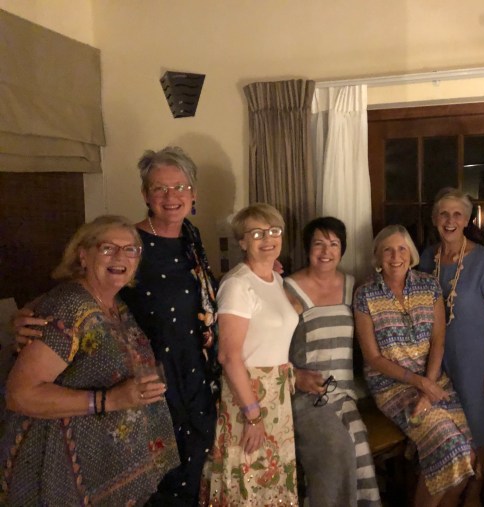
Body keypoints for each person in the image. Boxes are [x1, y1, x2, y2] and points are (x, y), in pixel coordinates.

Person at [12, 147, 220, 505]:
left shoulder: (191, 238)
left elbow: (200, 297)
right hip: (144, 383)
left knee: (188, 480)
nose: (171, 196)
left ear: (193, 193)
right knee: (154, 487)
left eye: (180, 187)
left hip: (193, 378)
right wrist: (25, 314)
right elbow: (80, 290)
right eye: (159, 188)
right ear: (145, 195)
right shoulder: (131, 244)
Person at [0, 215, 179, 505]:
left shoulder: (116, 303)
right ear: (83, 255)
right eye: (107, 248)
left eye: (130, 249)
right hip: (59, 473)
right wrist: (109, 400)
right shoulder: (68, 306)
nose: (120, 256)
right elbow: (20, 395)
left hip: (102, 468)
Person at [354, 224, 474, 507]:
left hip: (434, 379)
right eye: (388, 250)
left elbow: (438, 342)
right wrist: (420, 385)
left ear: (411, 254)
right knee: (449, 448)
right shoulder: (365, 294)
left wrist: (428, 387)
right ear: (377, 256)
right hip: (392, 386)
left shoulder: (429, 286)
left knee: (468, 455)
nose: (396, 257)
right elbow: (373, 358)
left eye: (402, 249)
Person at [200, 203, 299, 506]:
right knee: (247, 482)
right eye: (256, 233)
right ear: (242, 242)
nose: (267, 238)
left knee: (272, 482)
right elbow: (228, 357)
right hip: (249, 396)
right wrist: (253, 415)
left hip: (277, 396)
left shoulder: (276, 279)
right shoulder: (237, 284)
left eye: (273, 231)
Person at [419, 188, 484, 506]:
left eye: (457, 214)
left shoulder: (483, 261)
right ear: (435, 219)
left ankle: (473, 494)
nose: (450, 220)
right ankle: (447, 491)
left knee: (477, 432)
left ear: (467, 220)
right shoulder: (426, 258)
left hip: (476, 363)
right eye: (443, 214)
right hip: (436, 363)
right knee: (445, 431)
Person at [285, 216, 381, 507]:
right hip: (306, 394)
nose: (326, 251)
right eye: (318, 244)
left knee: (360, 449)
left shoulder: (352, 285)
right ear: (307, 248)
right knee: (335, 450)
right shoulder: (288, 288)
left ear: (342, 250)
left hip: (344, 392)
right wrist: (294, 376)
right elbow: (271, 345)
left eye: (334, 244)